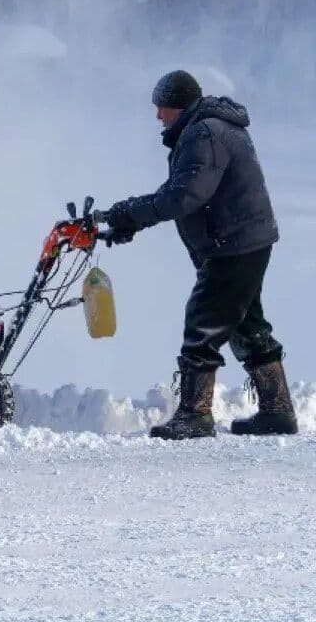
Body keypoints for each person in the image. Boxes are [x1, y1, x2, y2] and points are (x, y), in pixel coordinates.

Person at [106, 70, 297, 440]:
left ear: (179, 105)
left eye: (162, 108)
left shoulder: (205, 132)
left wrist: (129, 213)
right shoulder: (206, 128)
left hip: (234, 244)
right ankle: (278, 411)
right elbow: (181, 193)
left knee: (203, 321)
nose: (158, 116)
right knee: (246, 324)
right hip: (243, 240)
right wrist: (130, 220)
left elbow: (184, 196)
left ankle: (195, 414)